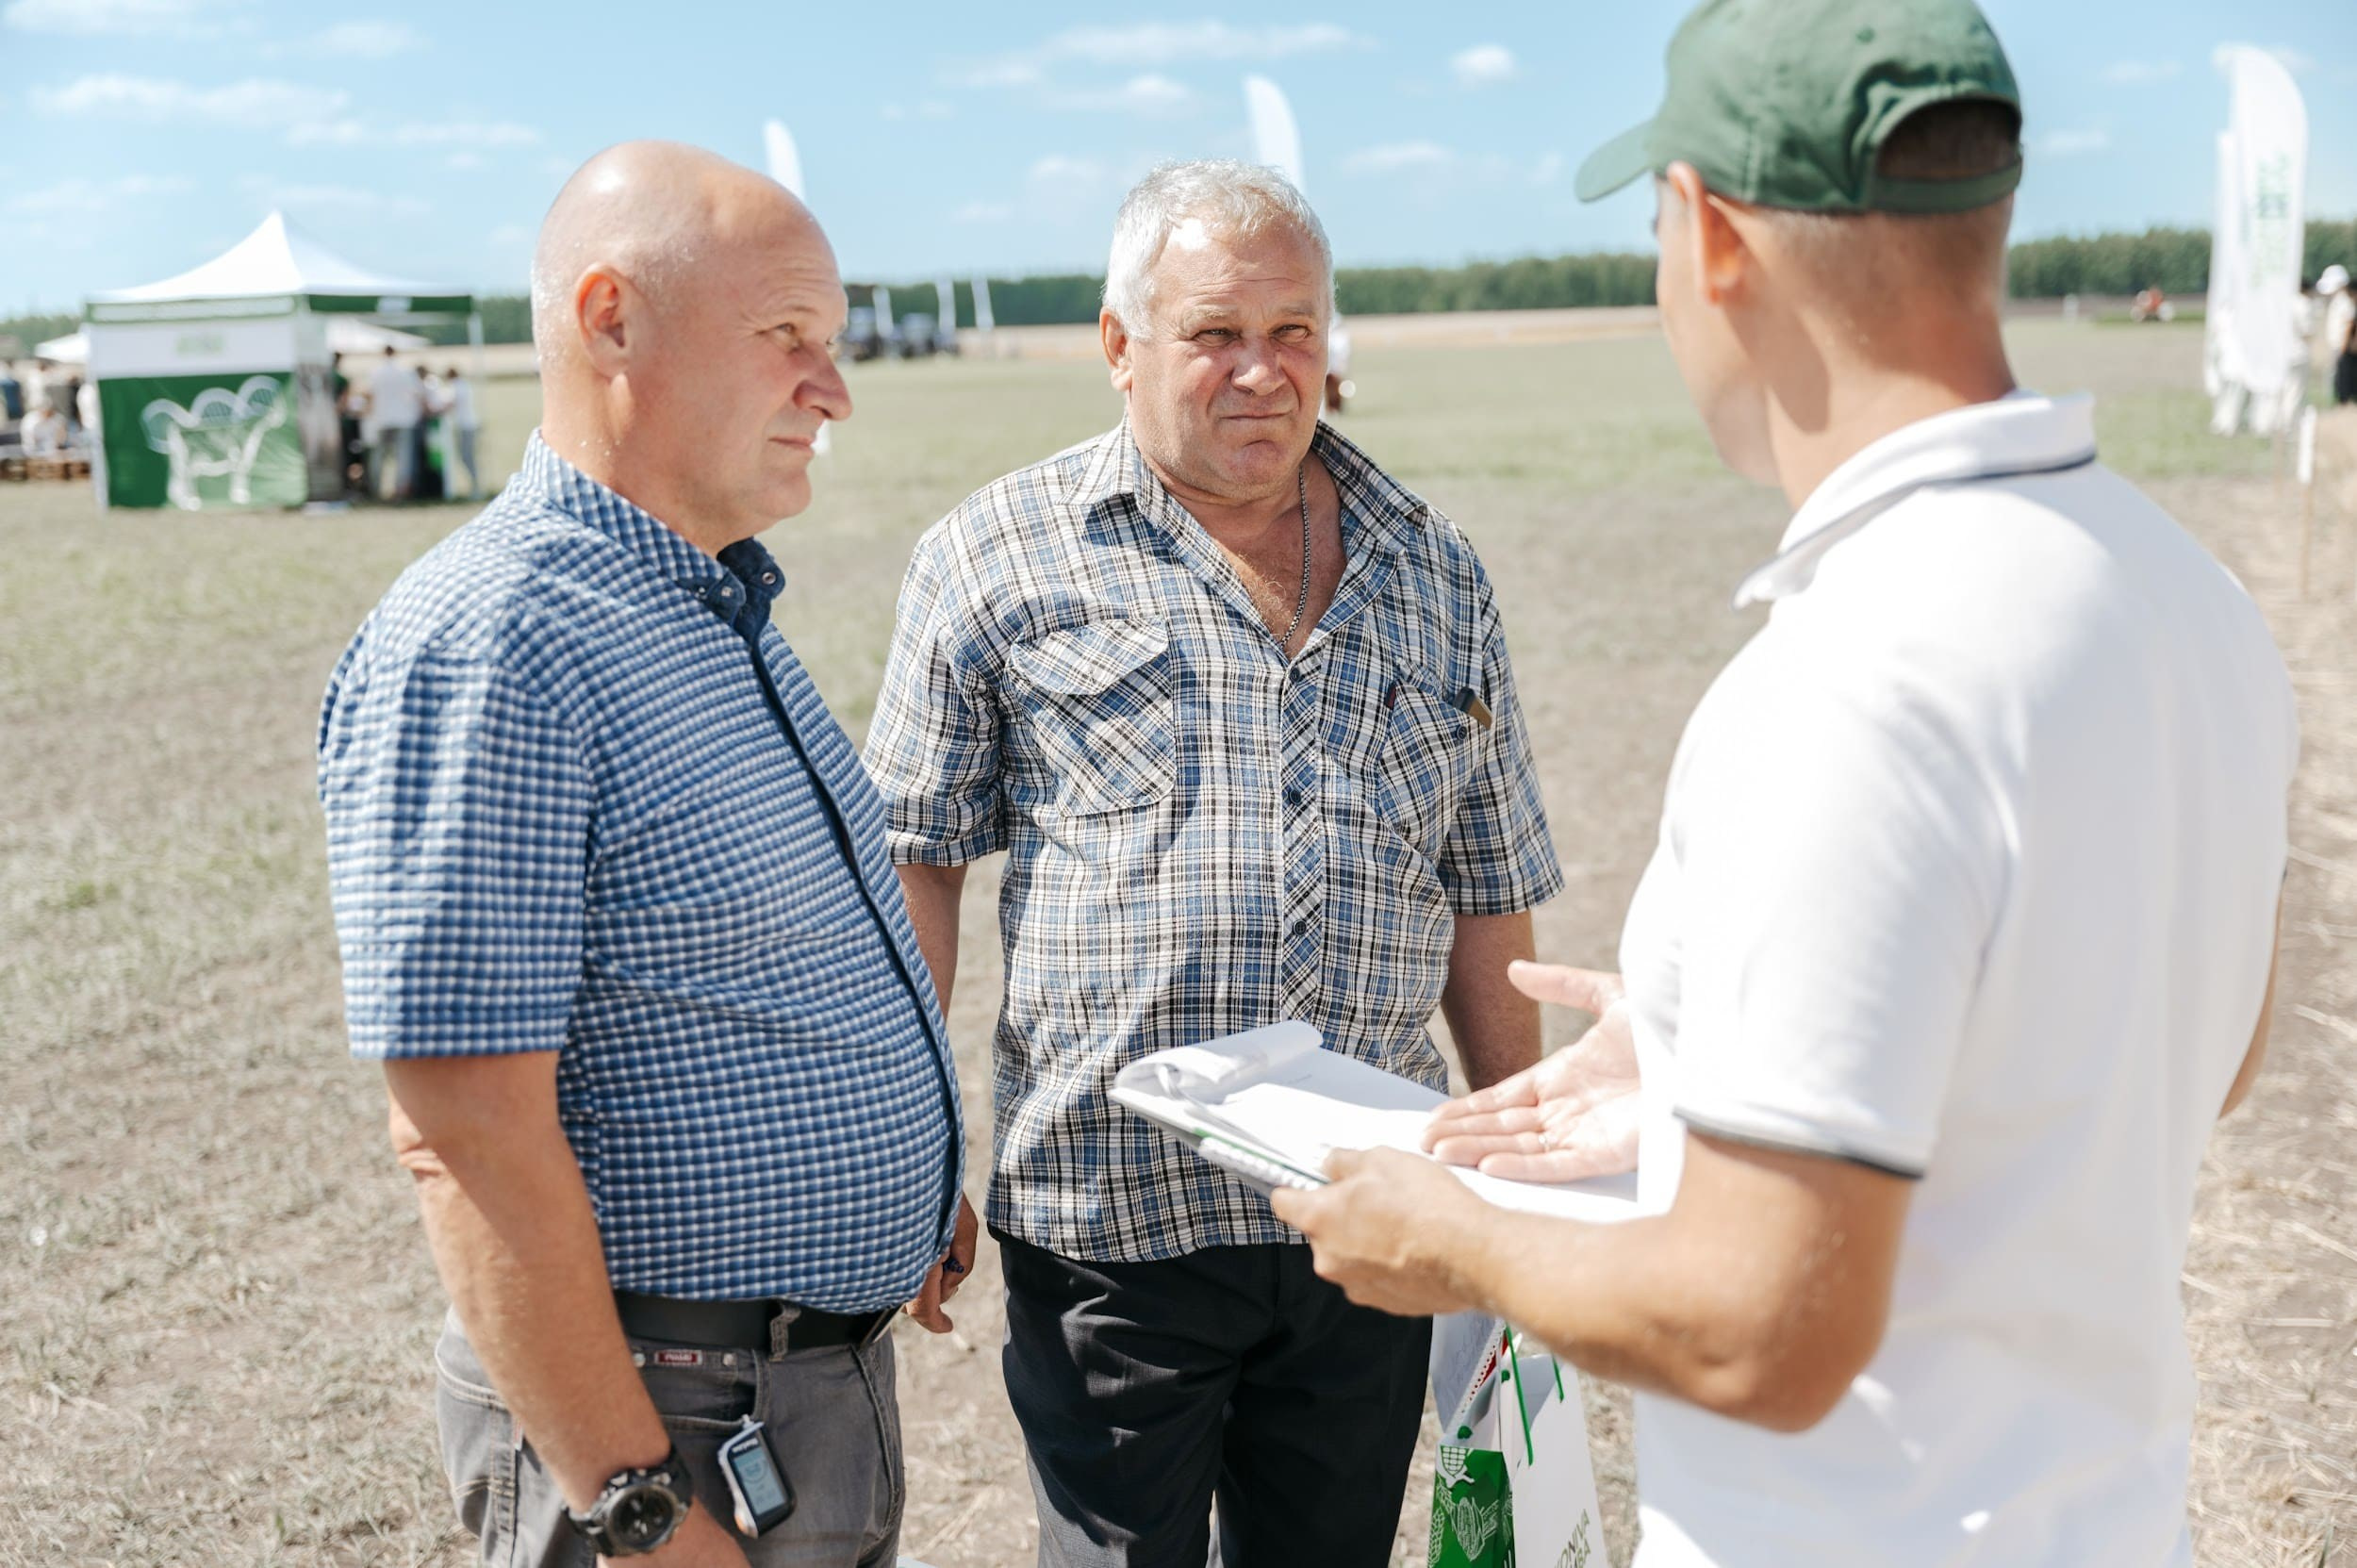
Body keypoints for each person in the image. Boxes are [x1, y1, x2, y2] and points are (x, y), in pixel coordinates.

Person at [1273, 4, 2297, 1566]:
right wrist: (1721, 1045)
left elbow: (1763, 1331)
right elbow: (2195, 1049)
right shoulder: (2189, 594)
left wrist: (1458, 1239)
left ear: (1710, 233)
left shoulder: (1850, 676)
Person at [865, 159, 1562, 1567]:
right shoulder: (993, 559)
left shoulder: (1436, 570)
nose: (1262, 370)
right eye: (1215, 333)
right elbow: (915, 863)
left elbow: (1489, 880)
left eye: (1293, 331)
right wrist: (910, 1142)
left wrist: (1519, 1167)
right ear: (1120, 347)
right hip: (1112, 1215)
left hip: (1370, 1211)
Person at [318, 140, 975, 1568]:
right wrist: (636, 1506)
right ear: (609, 318)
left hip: (784, 1397)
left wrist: (905, 1177)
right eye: (787, 336)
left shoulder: (700, 606)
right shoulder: (496, 641)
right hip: (669, 1432)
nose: (835, 389)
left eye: (836, 343)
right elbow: (463, 1128)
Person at [366, 344, 424, 500]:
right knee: (403, 457)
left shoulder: (376, 372)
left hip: (382, 419)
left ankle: (375, 489)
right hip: (403, 419)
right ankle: (401, 490)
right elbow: (417, 394)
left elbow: (370, 395)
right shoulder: (405, 371)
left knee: (379, 457)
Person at [444, 362, 484, 498]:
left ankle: (476, 486)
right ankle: (475, 485)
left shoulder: (456, 386)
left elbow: (450, 404)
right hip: (469, 425)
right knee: (467, 457)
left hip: (466, 426)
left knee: (467, 457)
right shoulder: (463, 385)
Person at [2323, 264, 2356, 406]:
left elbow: (2348, 325)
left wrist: (2344, 346)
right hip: (2338, 345)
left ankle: (2345, 401)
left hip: (2343, 346)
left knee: (2344, 376)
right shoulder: (2338, 301)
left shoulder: (2345, 301)